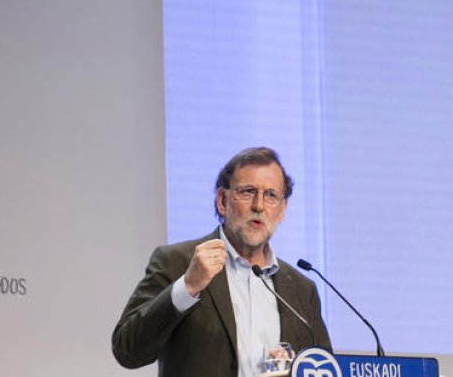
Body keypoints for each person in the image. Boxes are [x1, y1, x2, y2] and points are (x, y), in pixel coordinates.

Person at [112, 147, 331, 376]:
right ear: (221, 200)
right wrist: (187, 287)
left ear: (282, 210)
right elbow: (127, 350)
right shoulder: (178, 262)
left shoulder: (301, 290)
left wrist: (297, 367)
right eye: (247, 192)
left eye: (271, 195)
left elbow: (326, 367)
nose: (259, 205)